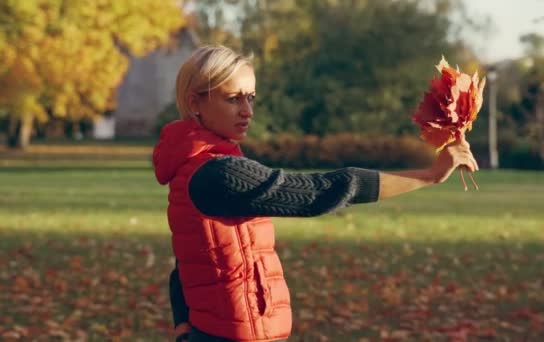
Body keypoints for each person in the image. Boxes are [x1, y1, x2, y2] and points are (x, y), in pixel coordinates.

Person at [153, 45, 478, 342]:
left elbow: (186, 264)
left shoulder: (194, 165)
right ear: (195, 102)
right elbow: (318, 193)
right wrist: (430, 175)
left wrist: (185, 330)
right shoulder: (218, 174)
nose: (247, 111)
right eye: (233, 98)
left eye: (250, 97)